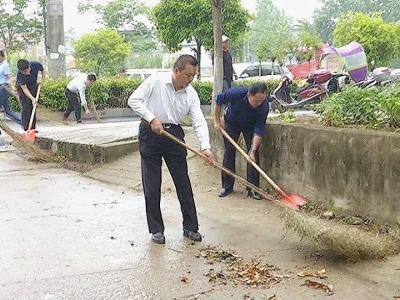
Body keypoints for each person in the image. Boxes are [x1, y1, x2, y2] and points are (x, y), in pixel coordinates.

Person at [128, 54, 216, 245]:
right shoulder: (156, 80)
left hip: (174, 134)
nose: (190, 79)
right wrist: (152, 118)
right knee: (152, 183)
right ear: (176, 71)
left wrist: (206, 147)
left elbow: (198, 121)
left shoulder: (191, 94)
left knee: (183, 181)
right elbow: (134, 100)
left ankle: (191, 227)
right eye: (187, 75)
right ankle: (156, 230)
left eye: (193, 75)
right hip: (150, 133)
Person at [214, 82, 269, 200]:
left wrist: (253, 150)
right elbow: (219, 100)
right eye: (257, 100)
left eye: (262, 100)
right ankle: (227, 186)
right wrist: (217, 121)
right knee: (229, 153)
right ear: (249, 95)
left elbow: (259, 129)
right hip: (232, 123)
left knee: (253, 155)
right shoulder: (237, 93)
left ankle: (253, 188)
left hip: (250, 126)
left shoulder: (264, 105)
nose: (259, 103)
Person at [16, 59, 45, 131]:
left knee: (33, 107)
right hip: (22, 90)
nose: (26, 73)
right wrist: (32, 99)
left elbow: (43, 70)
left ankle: (32, 128)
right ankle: (26, 129)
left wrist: (42, 81)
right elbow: (24, 89)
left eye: (26, 71)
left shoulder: (35, 64)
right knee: (26, 107)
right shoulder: (20, 75)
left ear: (29, 66)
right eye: (23, 72)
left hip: (33, 86)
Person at [0, 50, 22, 126]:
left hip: (4, 88)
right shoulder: (1, 65)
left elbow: (10, 77)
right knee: (8, 111)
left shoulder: (5, 65)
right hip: (2, 88)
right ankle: (24, 123)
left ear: (2, 56)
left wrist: (14, 88)